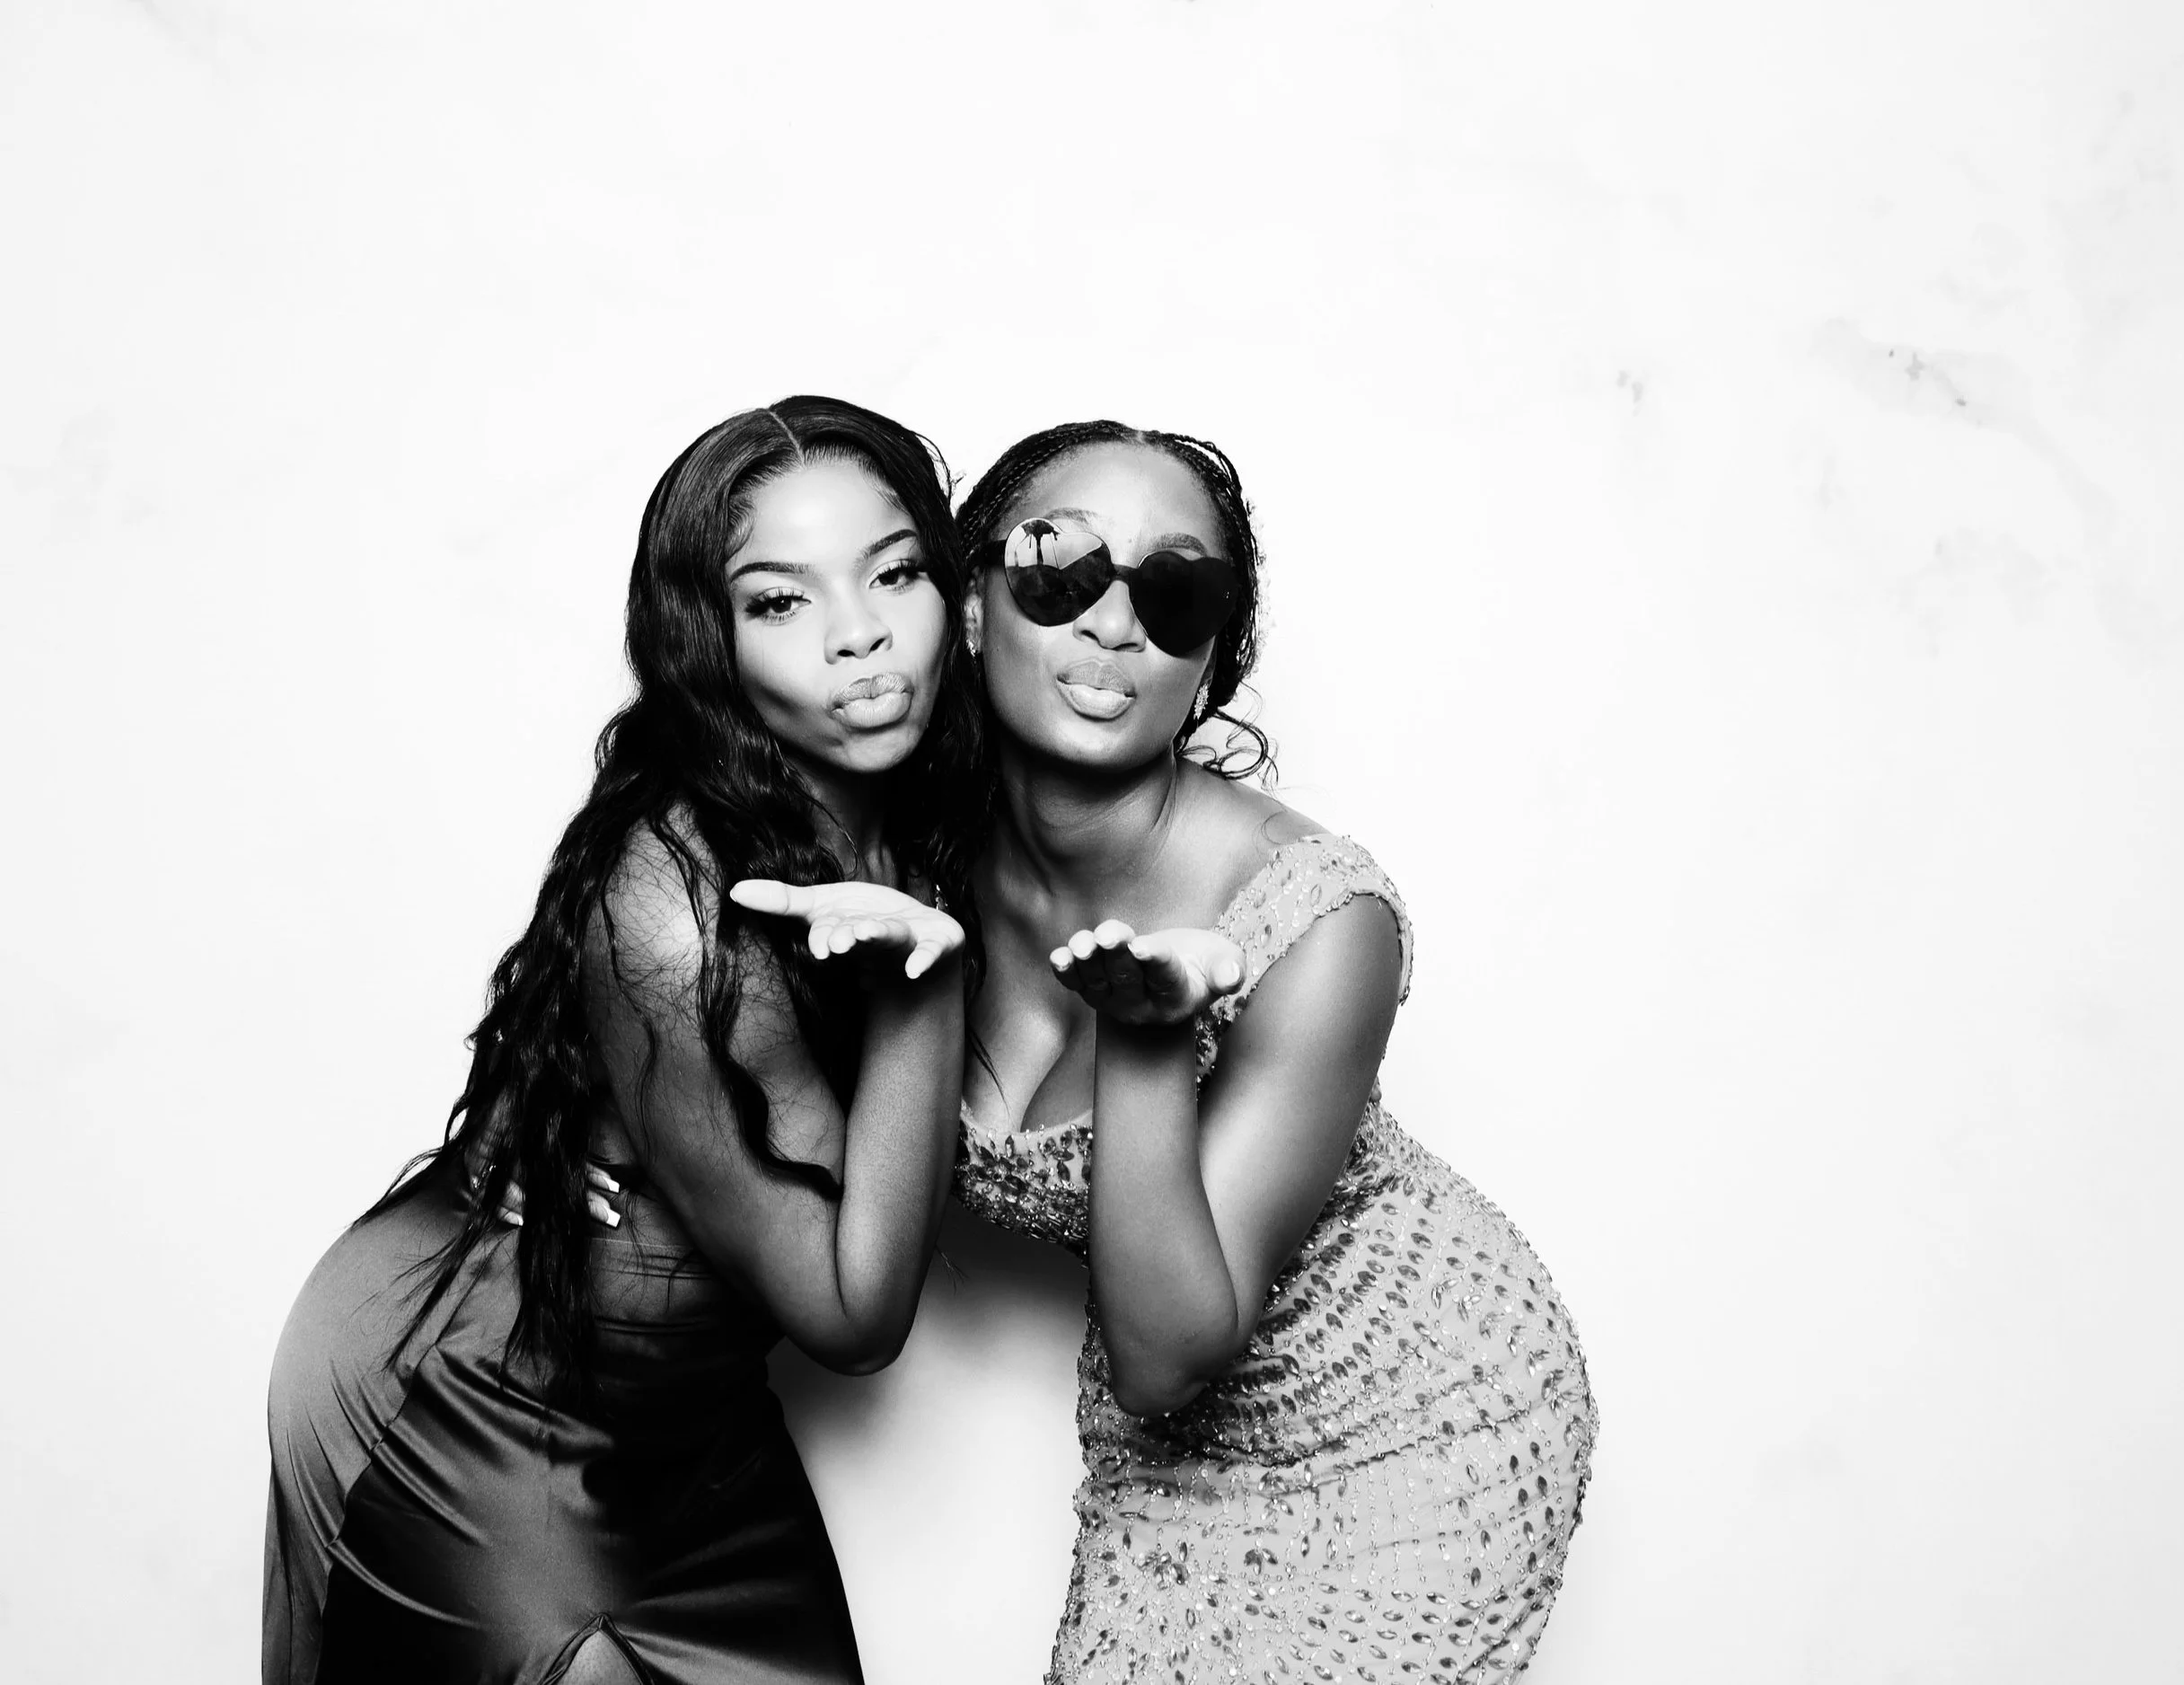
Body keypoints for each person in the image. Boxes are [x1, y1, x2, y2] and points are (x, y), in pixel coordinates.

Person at [263, 397, 982, 1685]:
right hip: (478, 1391)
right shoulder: (678, 910)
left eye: (895, 573)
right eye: (780, 601)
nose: (860, 635)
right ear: (707, 641)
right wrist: (924, 988)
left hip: (687, 1409)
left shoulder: (940, 797)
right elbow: (854, 1309)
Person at [944, 422, 1598, 1682]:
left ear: (1210, 667)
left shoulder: (1315, 913)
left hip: (1417, 1424)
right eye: (1058, 566)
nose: (1114, 624)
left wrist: (1148, 1038)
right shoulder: (912, 866)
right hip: (1173, 1448)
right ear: (975, 608)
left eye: (1175, 593)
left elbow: (1165, 1353)